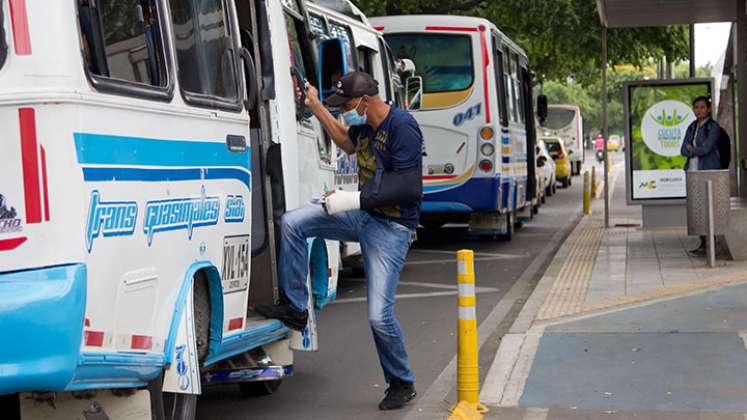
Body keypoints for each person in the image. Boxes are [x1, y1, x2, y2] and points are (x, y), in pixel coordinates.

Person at [255, 71, 423, 410]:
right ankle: (295, 308)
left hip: (390, 229)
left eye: (345, 104)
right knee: (293, 223)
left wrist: (350, 199)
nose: (345, 110)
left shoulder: (402, 126)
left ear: (363, 101)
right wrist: (316, 106)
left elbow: (408, 188)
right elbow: (346, 139)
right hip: (362, 214)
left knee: (379, 315)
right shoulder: (366, 128)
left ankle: (401, 381)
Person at [680, 95, 722, 255]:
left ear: (708, 109)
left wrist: (692, 149)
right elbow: (682, 149)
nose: (699, 110)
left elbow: (706, 150)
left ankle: (712, 242)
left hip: (708, 172)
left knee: (709, 207)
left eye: (702, 107)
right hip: (692, 172)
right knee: (696, 209)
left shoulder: (713, 127)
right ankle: (703, 243)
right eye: (696, 107)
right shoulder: (692, 127)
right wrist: (692, 149)